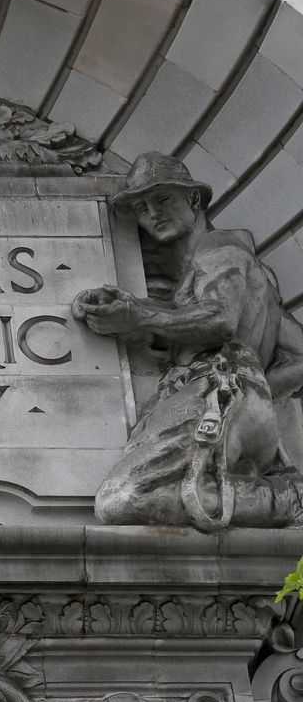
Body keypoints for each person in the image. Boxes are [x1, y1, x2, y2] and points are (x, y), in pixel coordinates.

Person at [73, 152, 303, 531]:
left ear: (194, 200)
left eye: (162, 199)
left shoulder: (220, 249)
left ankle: (286, 499)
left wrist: (141, 315)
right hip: (234, 398)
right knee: (136, 497)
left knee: (125, 497)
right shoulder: (241, 267)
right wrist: (255, 390)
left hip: (214, 393)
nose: (152, 215)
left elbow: (221, 319)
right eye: (142, 208)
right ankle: (273, 496)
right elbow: (297, 356)